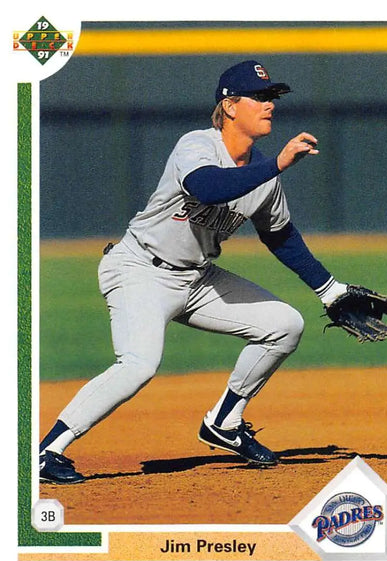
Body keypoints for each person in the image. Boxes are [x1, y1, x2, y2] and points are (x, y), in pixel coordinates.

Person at [40, 60, 347, 483]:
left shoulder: (264, 177)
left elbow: (280, 236)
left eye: (272, 97)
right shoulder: (197, 145)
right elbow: (207, 186)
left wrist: (328, 289)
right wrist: (277, 164)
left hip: (196, 279)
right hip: (139, 269)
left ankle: (224, 421)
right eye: (260, 97)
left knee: (284, 325)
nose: (270, 105)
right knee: (138, 364)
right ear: (231, 105)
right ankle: (46, 451)